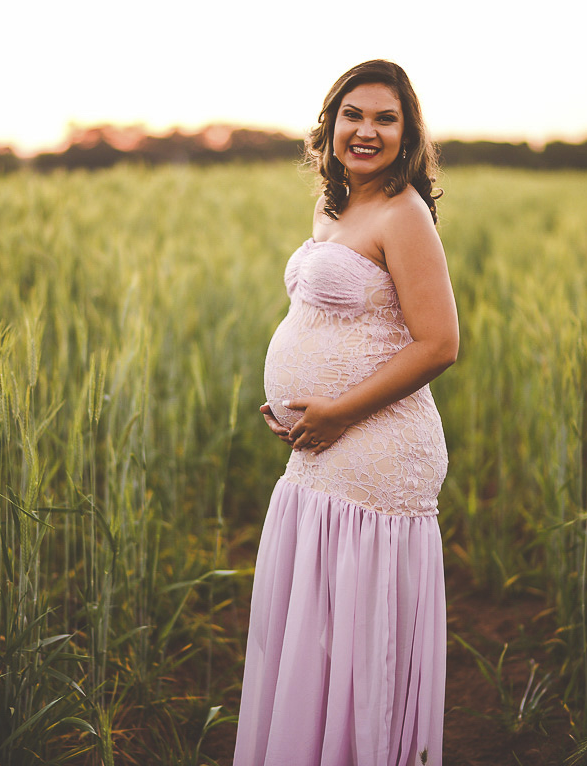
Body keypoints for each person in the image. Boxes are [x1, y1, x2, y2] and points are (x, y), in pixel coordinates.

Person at [233, 60, 459, 766]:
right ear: (330, 125)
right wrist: (299, 408)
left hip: (376, 453)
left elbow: (439, 344)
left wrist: (335, 414)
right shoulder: (332, 209)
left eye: (385, 118)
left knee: (357, 636)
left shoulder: (404, 213)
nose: (366, 130)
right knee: (316, 629)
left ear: (407, 133)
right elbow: (328, 320)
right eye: (353, 115)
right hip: (322, 449)